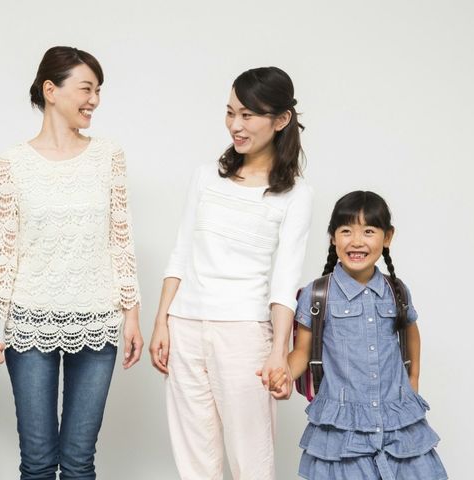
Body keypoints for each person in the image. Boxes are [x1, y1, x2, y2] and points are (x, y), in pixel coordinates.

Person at [0, 46, 143, 480]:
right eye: (86, 89)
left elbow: (120, 239)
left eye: (98, 91)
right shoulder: (11, 163)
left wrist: (132, 314)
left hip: (98, 320)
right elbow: (3, 249)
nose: (95, 100)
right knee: (36, 463)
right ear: (50, 90)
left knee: (79, 462)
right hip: (30, 323)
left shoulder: (108, 156)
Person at [149, 66, 313, 479]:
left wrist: (278, 351)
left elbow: (284, 282)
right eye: (230, 112)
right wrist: (162, 321)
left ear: (281, 120)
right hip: (185, 327)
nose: (235, 125)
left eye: (247, 115)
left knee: (251, 461)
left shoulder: (296, 194)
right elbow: (181, 253)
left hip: (244, 333)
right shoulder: (206, 177)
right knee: (195, 463)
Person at [268, 191, 447, 479]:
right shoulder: (317, 294)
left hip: (397, 421)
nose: (357, 241)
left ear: (387, 237)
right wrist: (284, 373)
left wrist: (412, 381)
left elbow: (411, 332)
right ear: (332, 237)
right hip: (342, 427)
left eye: (369, 231)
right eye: (346, 231)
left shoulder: (396, 291)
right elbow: (302, 351)